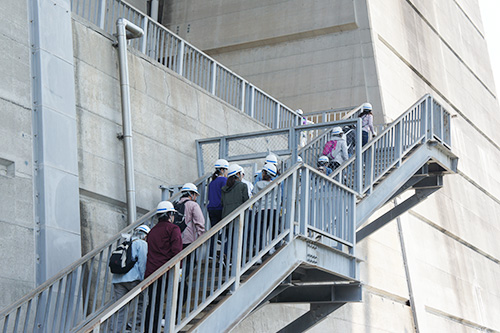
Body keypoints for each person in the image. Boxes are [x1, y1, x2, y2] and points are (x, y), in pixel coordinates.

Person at [145, 201, 183, 332]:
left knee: (153, 303)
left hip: (151, 272)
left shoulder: (152, 232)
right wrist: (179, 270)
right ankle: (168, 321)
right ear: (170, 214)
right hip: (165, 272)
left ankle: (149, 329)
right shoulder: (173, 229)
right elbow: (177, 251)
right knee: (181, 292)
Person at [111, 225, 149, 331]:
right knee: (142, 301)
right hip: (133, 280)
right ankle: (133, 324)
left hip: (118, 280)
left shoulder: (125, 243)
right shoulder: (141, 243)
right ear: (145, 235)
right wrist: (143, 280)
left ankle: (115, 330)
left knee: (119, 308)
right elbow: (142, 263)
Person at [177, 182, 205, 249]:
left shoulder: (176, 205)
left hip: (176, 239)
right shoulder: (193, 205)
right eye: (195, 195)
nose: (195, 198)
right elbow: (200, 222)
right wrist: (201, 238)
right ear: (191, 194)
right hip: (188, 240)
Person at [207, 159, 228, 229]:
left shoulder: (212, 182)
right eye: (227, 170)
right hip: (220, 208)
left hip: (211, 208)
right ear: (222, 170)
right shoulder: (224, 180)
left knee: (214, 230)